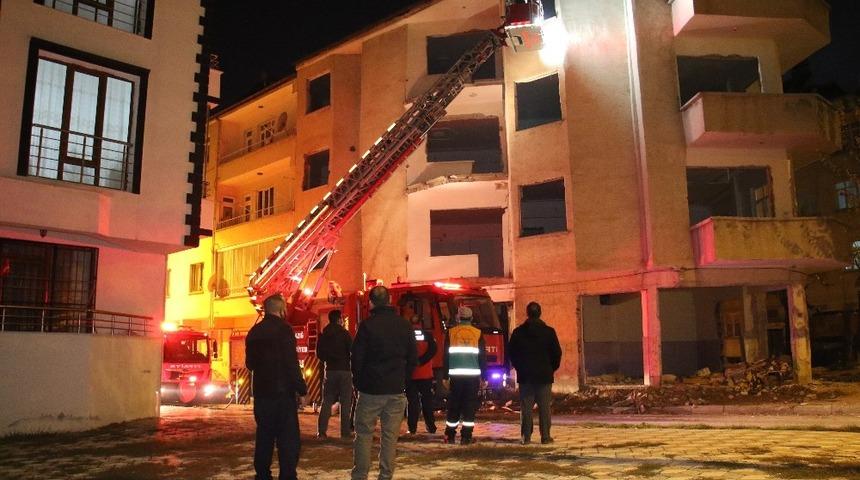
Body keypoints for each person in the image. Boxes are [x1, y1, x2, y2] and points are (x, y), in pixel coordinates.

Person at [351, 286, 417, 480]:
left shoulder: (367, 326)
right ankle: (385, 475)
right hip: (395, 389)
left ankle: (360, 475)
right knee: (390, 437)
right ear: (389, 301)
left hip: (371, 390)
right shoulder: (404, 325)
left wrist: (359, 382)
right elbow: (413, 358)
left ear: (371, 303)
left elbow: (357, 358)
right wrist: (403, 379)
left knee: (363, 434)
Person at [245, 294, 308, 480]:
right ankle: (287, 475)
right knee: (288, 440)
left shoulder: (254, 332)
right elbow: (291, 362)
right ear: (281, 310)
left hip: (262, 394)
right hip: (283, 395)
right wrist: (302, 389)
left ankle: (262, 474)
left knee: (264, 436)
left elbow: (250, 364)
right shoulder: (284, 330)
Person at [507, 301, 562, 445]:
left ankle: (526, 437)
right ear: (540, 313)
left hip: (526, 376)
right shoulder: (549, 332)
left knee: (526, 408)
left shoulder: (519, 332)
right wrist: (551, 368)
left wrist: (519, 367)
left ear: (527, 313)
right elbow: (557, 354)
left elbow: (512, 353)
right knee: (544, 408)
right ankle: (545, 436)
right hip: (544, 376)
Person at [442, 306, 486, 445]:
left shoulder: (451, 333)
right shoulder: (478, 333)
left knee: (454, 405)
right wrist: (484, 377)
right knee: (469, 406)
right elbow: (482, 357)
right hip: (472, 377)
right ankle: (466, 436)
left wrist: (444, 376)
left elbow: (446, 357)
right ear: (471, 318)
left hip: (455, 376)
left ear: (458, 318)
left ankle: (450, 435)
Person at [316, 309, 353, 440]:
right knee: (346, 402)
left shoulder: (324, 335)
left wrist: (329, 359)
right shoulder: (345, 334)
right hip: (344, 370)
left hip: (330, 371)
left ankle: (321, 432)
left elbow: (319, 354)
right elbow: (352, 350)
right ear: (339, 319)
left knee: (327, 401)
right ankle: (345, 433)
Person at [405, 312, 438, 435]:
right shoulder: (428, 335)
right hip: (426, 375)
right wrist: (422, 361)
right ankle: (431, 427)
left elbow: (404, 352)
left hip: (411, 375)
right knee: (427, 402)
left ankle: (412, 428)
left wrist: (412, 363)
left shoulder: (406, 335)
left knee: (412, 403)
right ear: (420, 323)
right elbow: (433, 350)